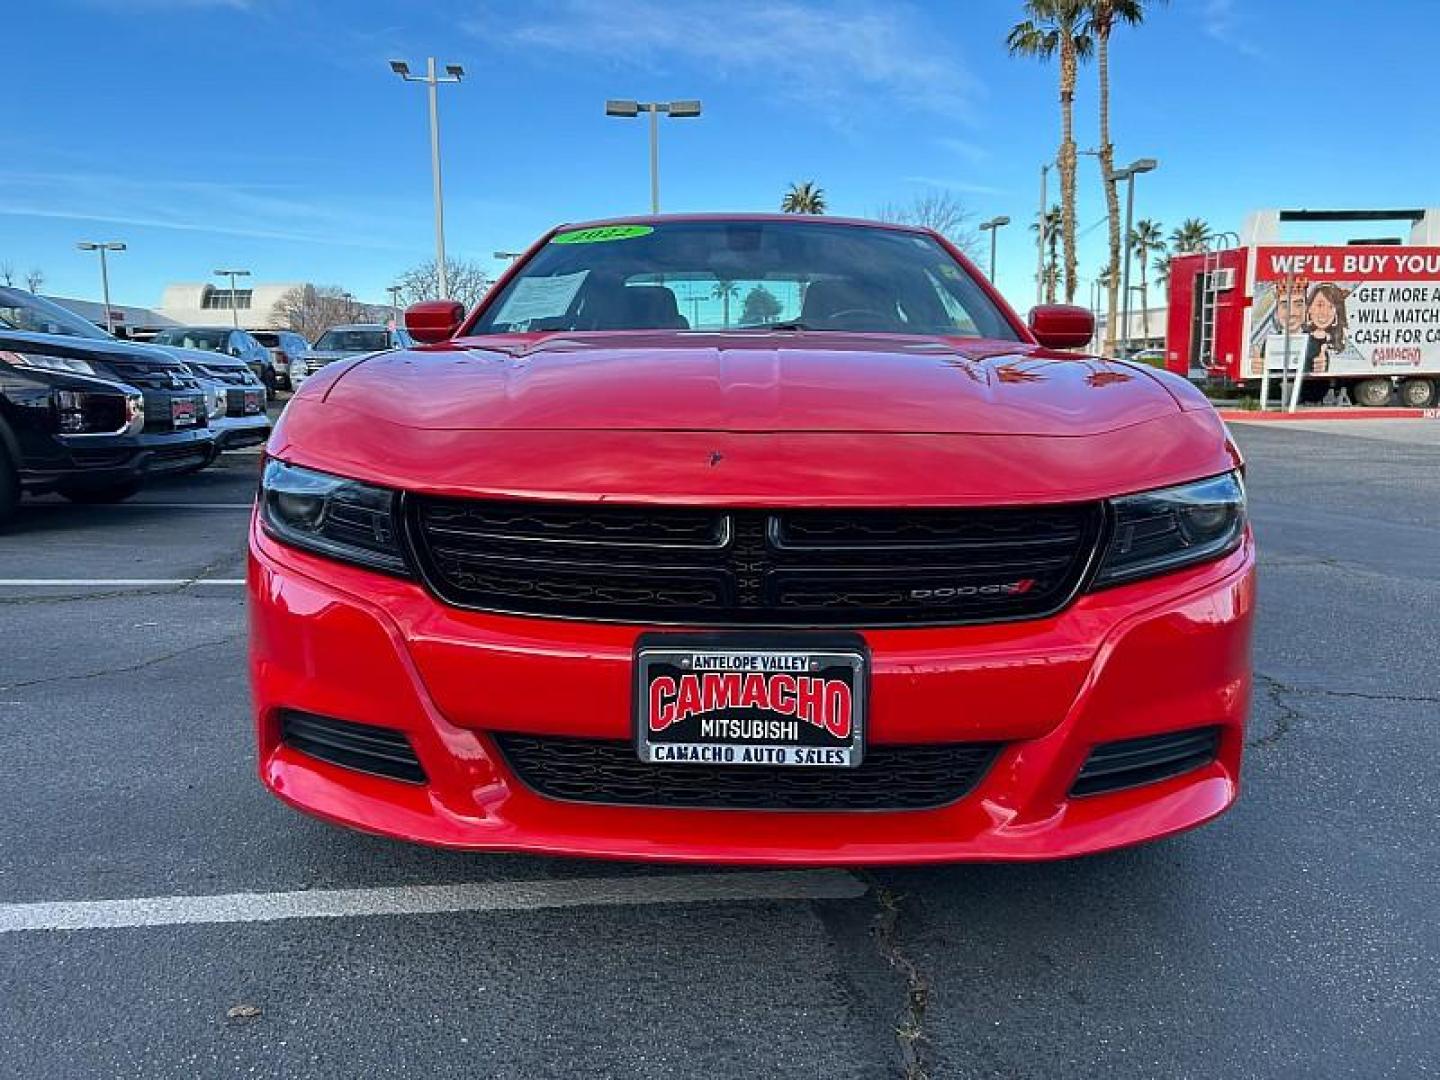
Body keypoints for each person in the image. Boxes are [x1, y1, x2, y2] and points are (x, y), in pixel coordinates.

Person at [1303, 282, 1350, 375]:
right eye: (1320, 305)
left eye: (1331, 307)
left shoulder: (1340, 342)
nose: (1325, 312)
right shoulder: (1302, 339)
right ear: (1309, 308)